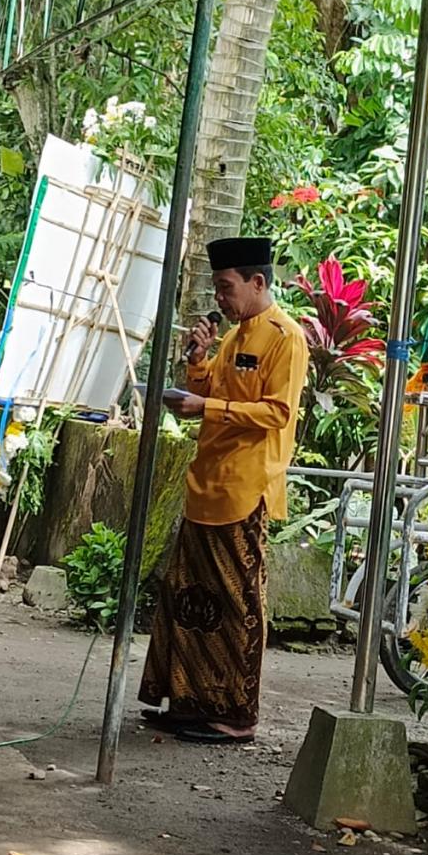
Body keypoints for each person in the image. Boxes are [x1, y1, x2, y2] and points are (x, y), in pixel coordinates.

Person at [139, 237, 309, 744]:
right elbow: (211, 391)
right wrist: (198, 362)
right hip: (206, 482)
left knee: (237, 604)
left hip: (245, 488)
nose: (220, 297)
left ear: (257, 282)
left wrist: (205, 407)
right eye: (216, 288)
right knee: (189, 597)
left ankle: (236, 714)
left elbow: (277, 413)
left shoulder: (285, 337)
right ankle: (189, 700)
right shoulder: (235, 337)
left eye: (225, 287)